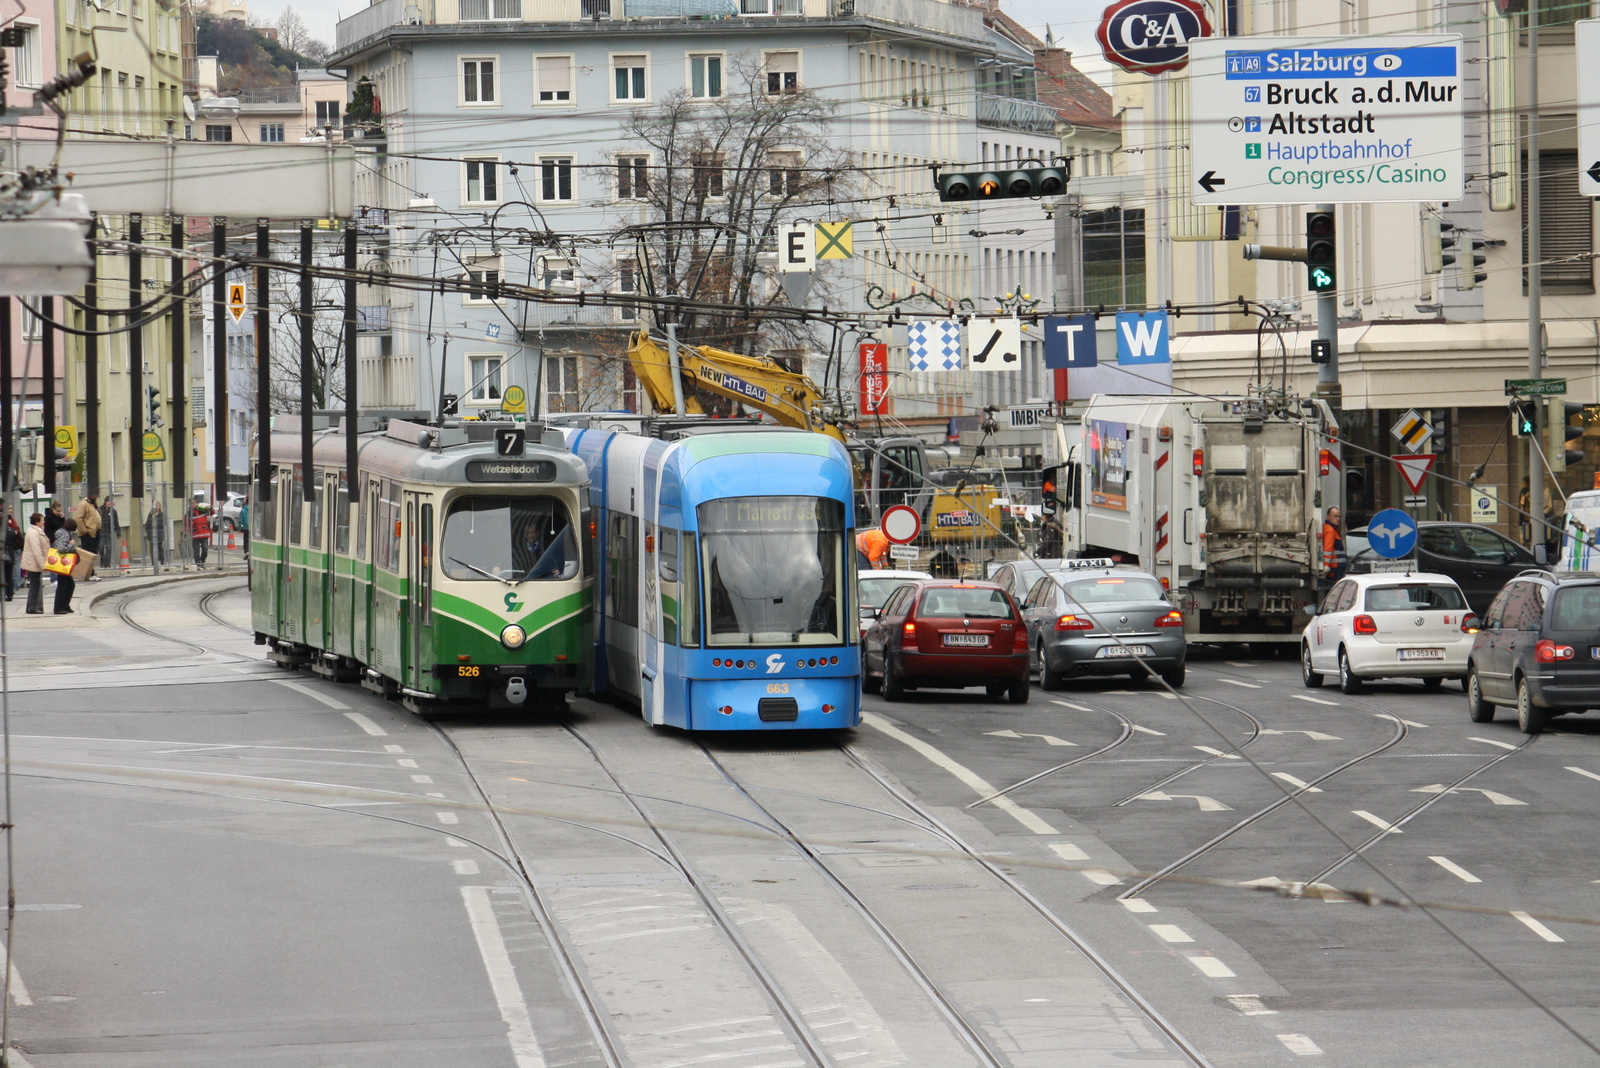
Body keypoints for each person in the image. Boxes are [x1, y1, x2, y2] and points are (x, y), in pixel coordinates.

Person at [19, 512, 47, 614]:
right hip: (33, 563)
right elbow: (36, 550)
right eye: (42, 520)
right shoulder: (34, 533)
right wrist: (42, 564)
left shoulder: (35, 531)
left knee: (35, 584)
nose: (44, 522)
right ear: (37, 522)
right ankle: (32, 607)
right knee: (35, 585)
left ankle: (31, 606)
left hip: (34, 562)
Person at [52, 517, 77, 614]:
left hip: (62, 562)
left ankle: (65, 605)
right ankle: (59, 607)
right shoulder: (66, 534)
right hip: (63, 563)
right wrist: (71, 544)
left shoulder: (61, 532)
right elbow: (61, 548)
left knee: (68, 584)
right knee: (64, 585)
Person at [71, 493, 101, 558]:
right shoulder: (83, 504)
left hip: (96, 532)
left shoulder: (94, 504)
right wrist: (85, 531)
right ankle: (87, 568)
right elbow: (78, 519)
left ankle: (91, 568)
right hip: (88, 534)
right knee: (88, 554)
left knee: (94, 553)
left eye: (96, 494)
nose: (95, 496)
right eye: (93, 494)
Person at [1322, 505, 1346, 583]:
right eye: (1335, 516)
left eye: (1339, 516)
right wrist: (1327, 566)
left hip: (1337, 567)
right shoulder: (1330, 530)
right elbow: (1328, 549)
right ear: (1328, 517)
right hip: (1335, 568)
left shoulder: (1332, 529)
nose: (1338, 519)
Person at [145, 498, 168, 570]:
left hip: (159, 533)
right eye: (155, 505)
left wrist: (156, 524)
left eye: (158, 505)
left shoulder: (161, 514)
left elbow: (163, 523)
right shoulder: (151, 514)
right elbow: (147, 523)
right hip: (152, 534)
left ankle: (162, 560)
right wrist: (149, 530)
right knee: (152, 549)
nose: (157, 507)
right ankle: (153, 562)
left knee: (159, 547)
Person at [3, 508, 20, 601]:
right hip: (10, 554)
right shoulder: (11, 530)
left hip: (2, 555)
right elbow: (15, 542)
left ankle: (2, 594)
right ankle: (10, 594)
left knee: (2, 575)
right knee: (9, 575)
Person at [100, 495, 122, 562]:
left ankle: (107, 563)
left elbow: (116, 522)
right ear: (105, 502)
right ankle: (103, 559)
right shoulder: (100, 509)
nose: (109, 503)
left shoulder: (113, 511)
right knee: (100, 547)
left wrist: (118, 532)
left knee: (109, 548)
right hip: (101, 532)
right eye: (108, 502)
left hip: (110, 532)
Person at [1519, 476, 1532, 544]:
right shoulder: (1523, 491)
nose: (1523, 485)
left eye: (1524, 483)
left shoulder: (1530, 491)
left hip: (1529, 512)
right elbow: (1521, 503)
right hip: (1524, 513)